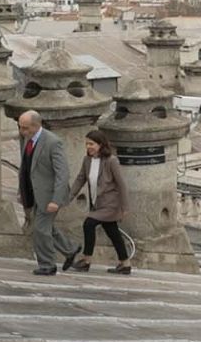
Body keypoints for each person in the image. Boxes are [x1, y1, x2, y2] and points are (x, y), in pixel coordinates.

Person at [62, 128, 134, 274]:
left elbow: (122, 184)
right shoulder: (87, 160)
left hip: (110, 204)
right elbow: (80, 179)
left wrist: (125, 207)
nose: (88, 147)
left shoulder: (111, 161)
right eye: (87, 144)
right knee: (112, 232)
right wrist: (69, 197)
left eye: (92, 144)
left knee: (88, 224)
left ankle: (86, 260)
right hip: (97, 204)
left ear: (100, 145)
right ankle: (125, 264)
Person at [16, 110, 74, 275]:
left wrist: (56, 200)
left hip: (49, 194)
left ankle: (48, 264)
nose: (22, 131)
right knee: (46, 227)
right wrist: (22, 191)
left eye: (25, 128)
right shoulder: (25, 139)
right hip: (34, 192)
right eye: (20, 127)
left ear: (36, 126)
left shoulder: (53, 142)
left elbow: (63, 173)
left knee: (40, 229)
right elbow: (26, 167)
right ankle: (70, 249)